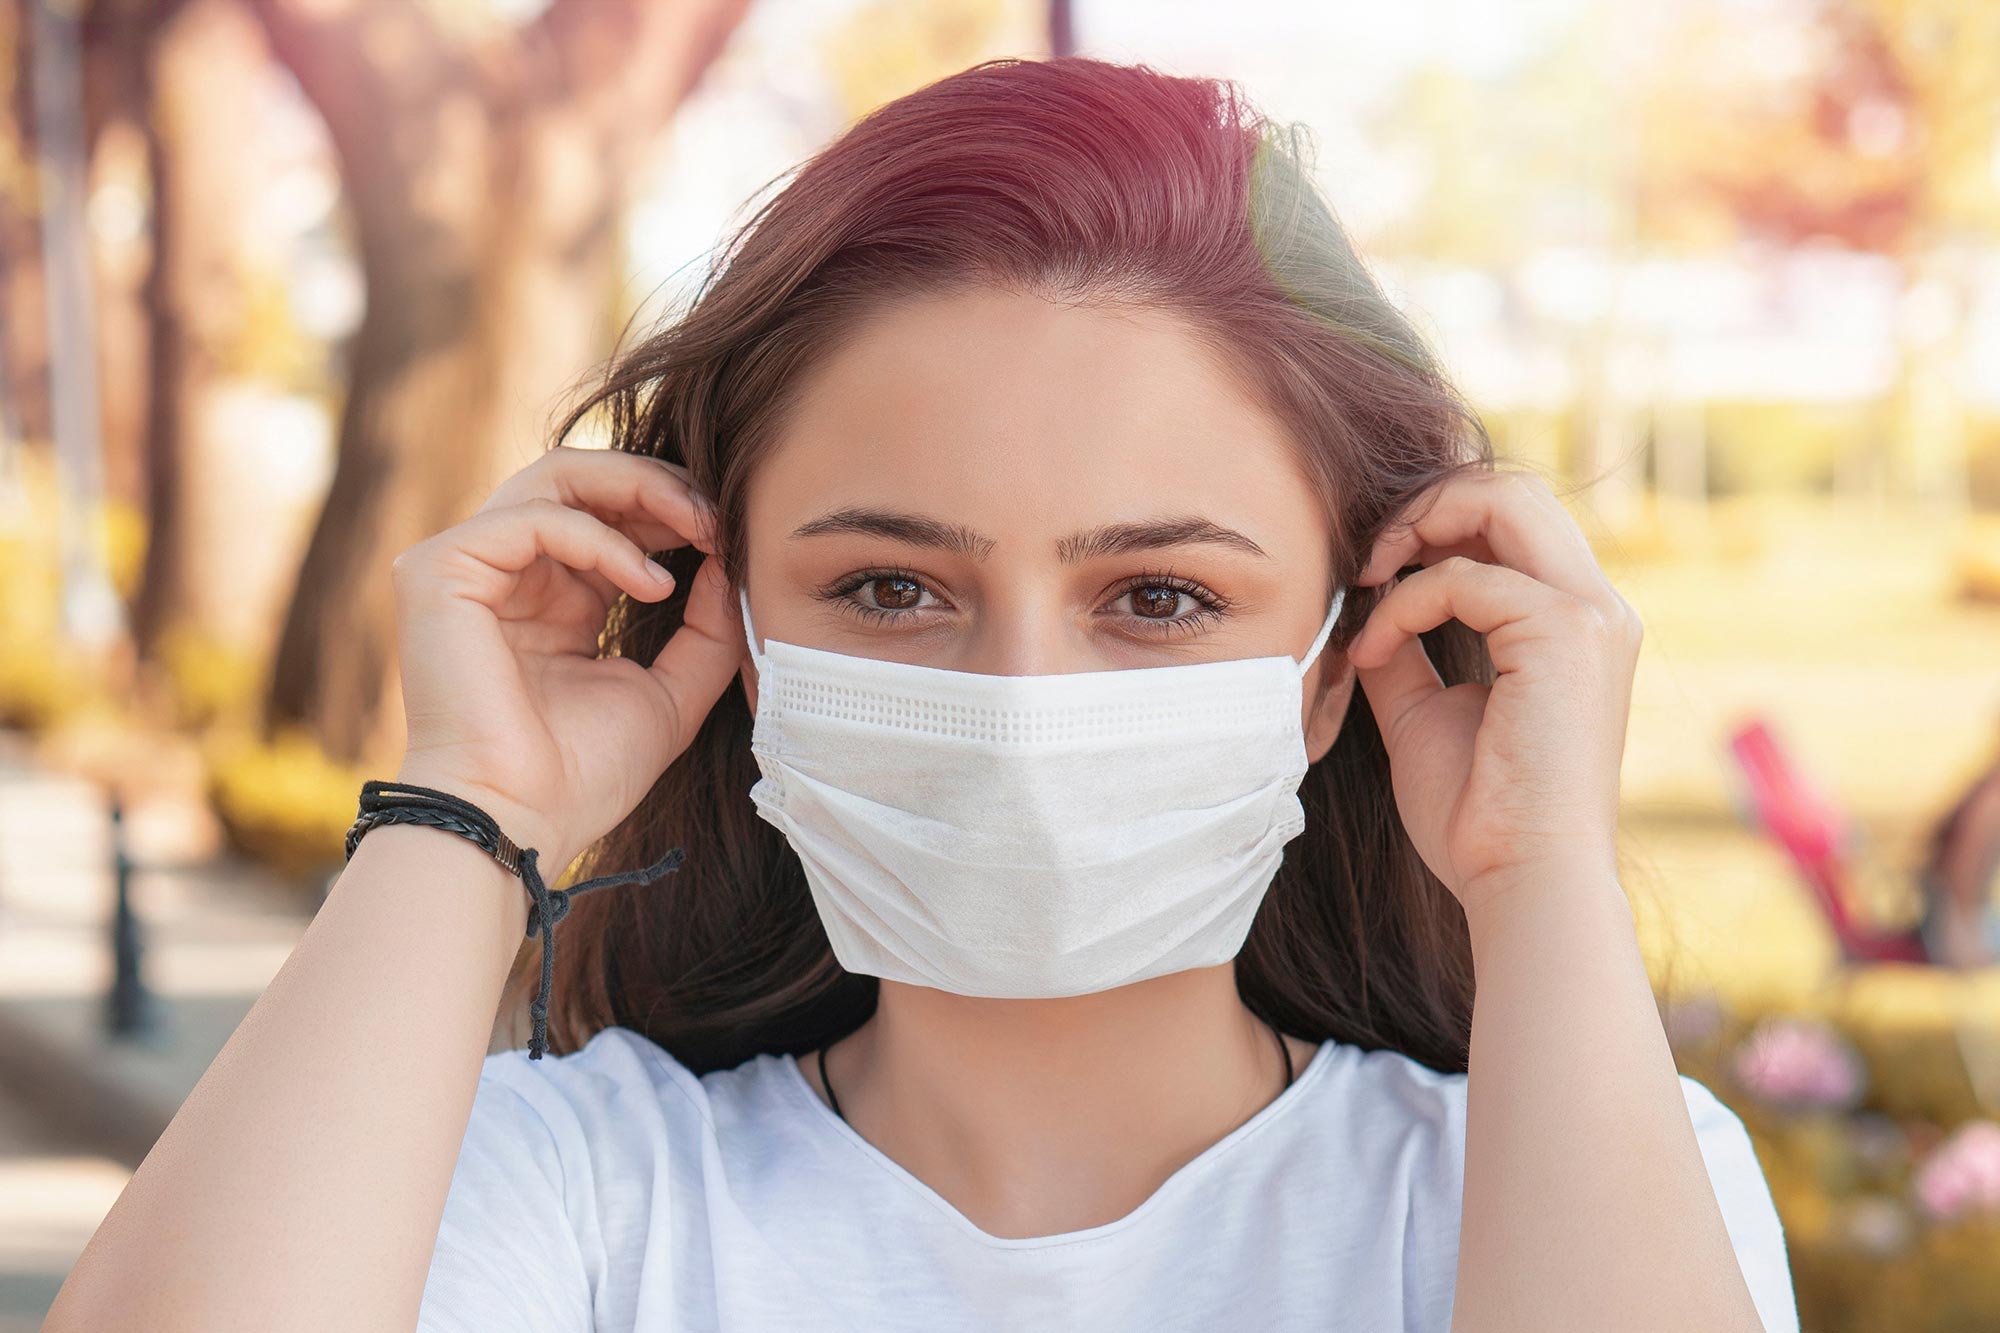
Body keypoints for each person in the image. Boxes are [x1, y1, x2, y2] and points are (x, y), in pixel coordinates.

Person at [46, 56, 1800, 1333]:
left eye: (1160, 596)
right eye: (892, 586)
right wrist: (467, 809)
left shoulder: (1574, 1174)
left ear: (1349, 655)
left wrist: (1540, 864)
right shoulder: (556, 1185)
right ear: (726, 623)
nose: (1026, 698)